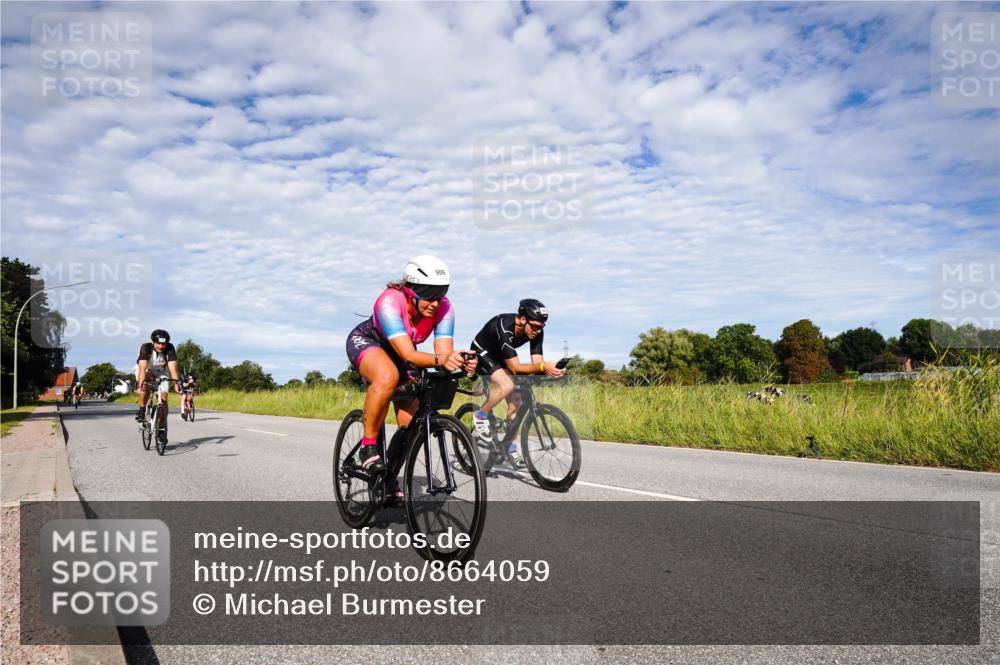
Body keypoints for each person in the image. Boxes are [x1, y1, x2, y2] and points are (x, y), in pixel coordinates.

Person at [345, 255, 477, 497]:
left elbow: (443, 354)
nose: (435, 303)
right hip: (369, 342)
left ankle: (388, 479)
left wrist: (459, 360)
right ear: (409, 290)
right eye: (428, 295)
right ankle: (368, 446)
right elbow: (408, 353)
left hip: (403, 354)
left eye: (440, 294)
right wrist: (442, 360)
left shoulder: (444, 307)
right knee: (387, 377)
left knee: (411, 425)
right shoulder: (389, 302)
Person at [469, 299, 566, 465]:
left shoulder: (536, 331)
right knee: (507, 385)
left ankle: (509, 447)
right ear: (522, 319)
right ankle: (480, 415)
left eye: (542, 327)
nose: (538, 330)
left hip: (501, 356)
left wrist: (552, 370)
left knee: (517, 402)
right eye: (535, 326)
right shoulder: (504, 327)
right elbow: (515, 367)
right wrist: (543, 366)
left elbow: (537, 364)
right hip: (482, 352)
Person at [134, 330, 182, 444]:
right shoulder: (146, 347)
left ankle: (161, 429)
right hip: (146, 370)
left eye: (163, 344)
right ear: (153, 342)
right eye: (158, 343)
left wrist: (176, 384)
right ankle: (141, 410)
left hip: (161, 372)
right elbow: (142, 368)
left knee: (164, 400)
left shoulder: (170, 348)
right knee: (146, 386)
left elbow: (173, 368)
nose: (161, 346)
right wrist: (140, 385)